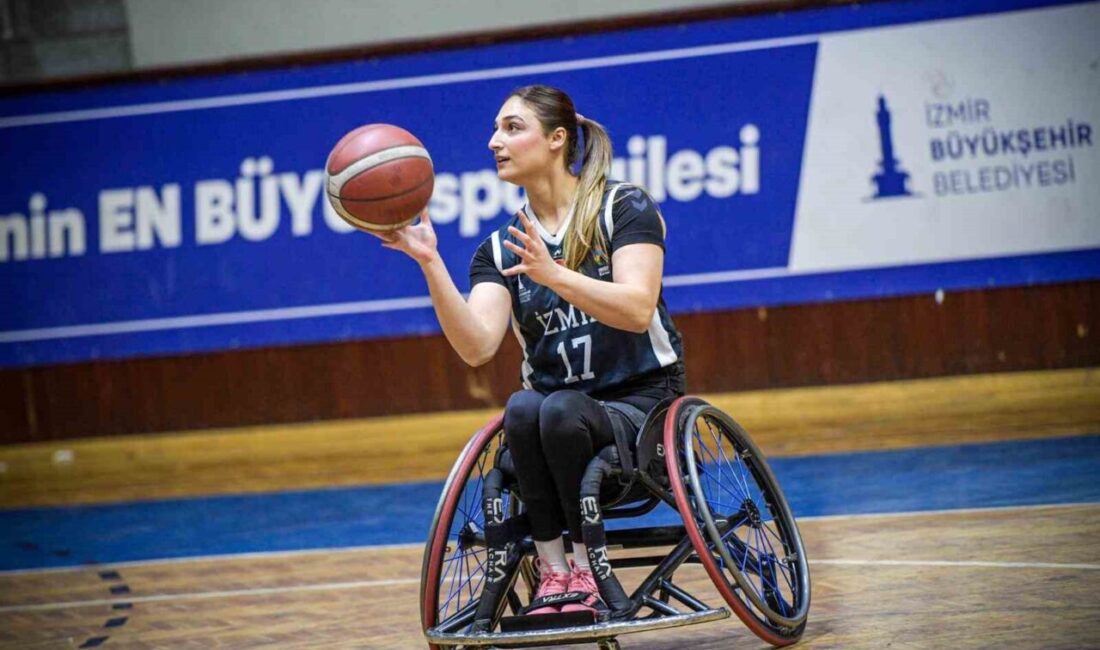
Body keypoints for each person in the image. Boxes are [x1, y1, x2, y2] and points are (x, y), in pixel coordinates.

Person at [375, 84, 685, 616]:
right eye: (495, 129)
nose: (495, 141)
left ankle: (588, 568)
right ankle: (554, 570)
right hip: (548, 422)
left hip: (640, 407)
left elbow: (637, 309)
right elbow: (476, 347)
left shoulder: (623, 207)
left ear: (558, 139)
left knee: (559, 407)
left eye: (512, 128)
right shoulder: (500, 248)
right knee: (524, 405)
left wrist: (554, 275)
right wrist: (429, 262)